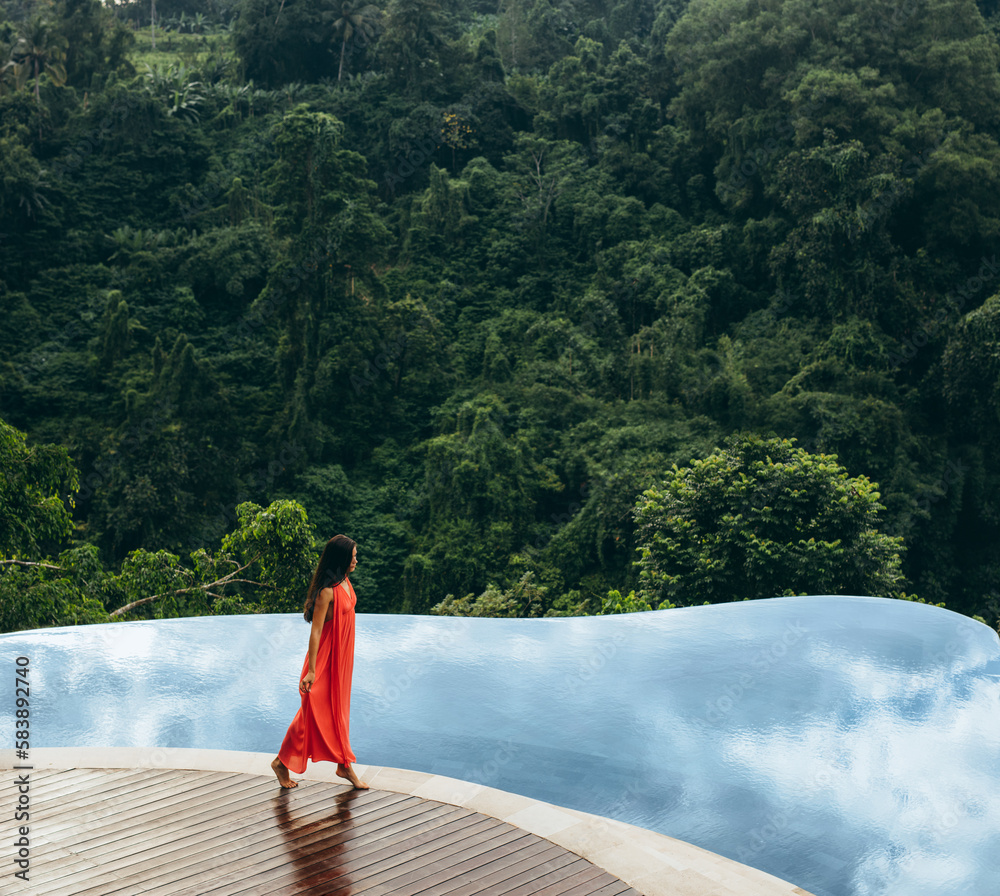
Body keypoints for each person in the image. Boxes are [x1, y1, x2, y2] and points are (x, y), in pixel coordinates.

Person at [271, 534, 369, 790]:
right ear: (342, 559)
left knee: (338, 710)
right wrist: (312, 670)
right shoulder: (327, 592)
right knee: (313, 711)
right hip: (324, 659)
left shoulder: (345, 582)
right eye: (353, 556)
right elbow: (315, 632)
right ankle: (284, 762)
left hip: (342, 657)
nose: (356, 560)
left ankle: (342, 764)